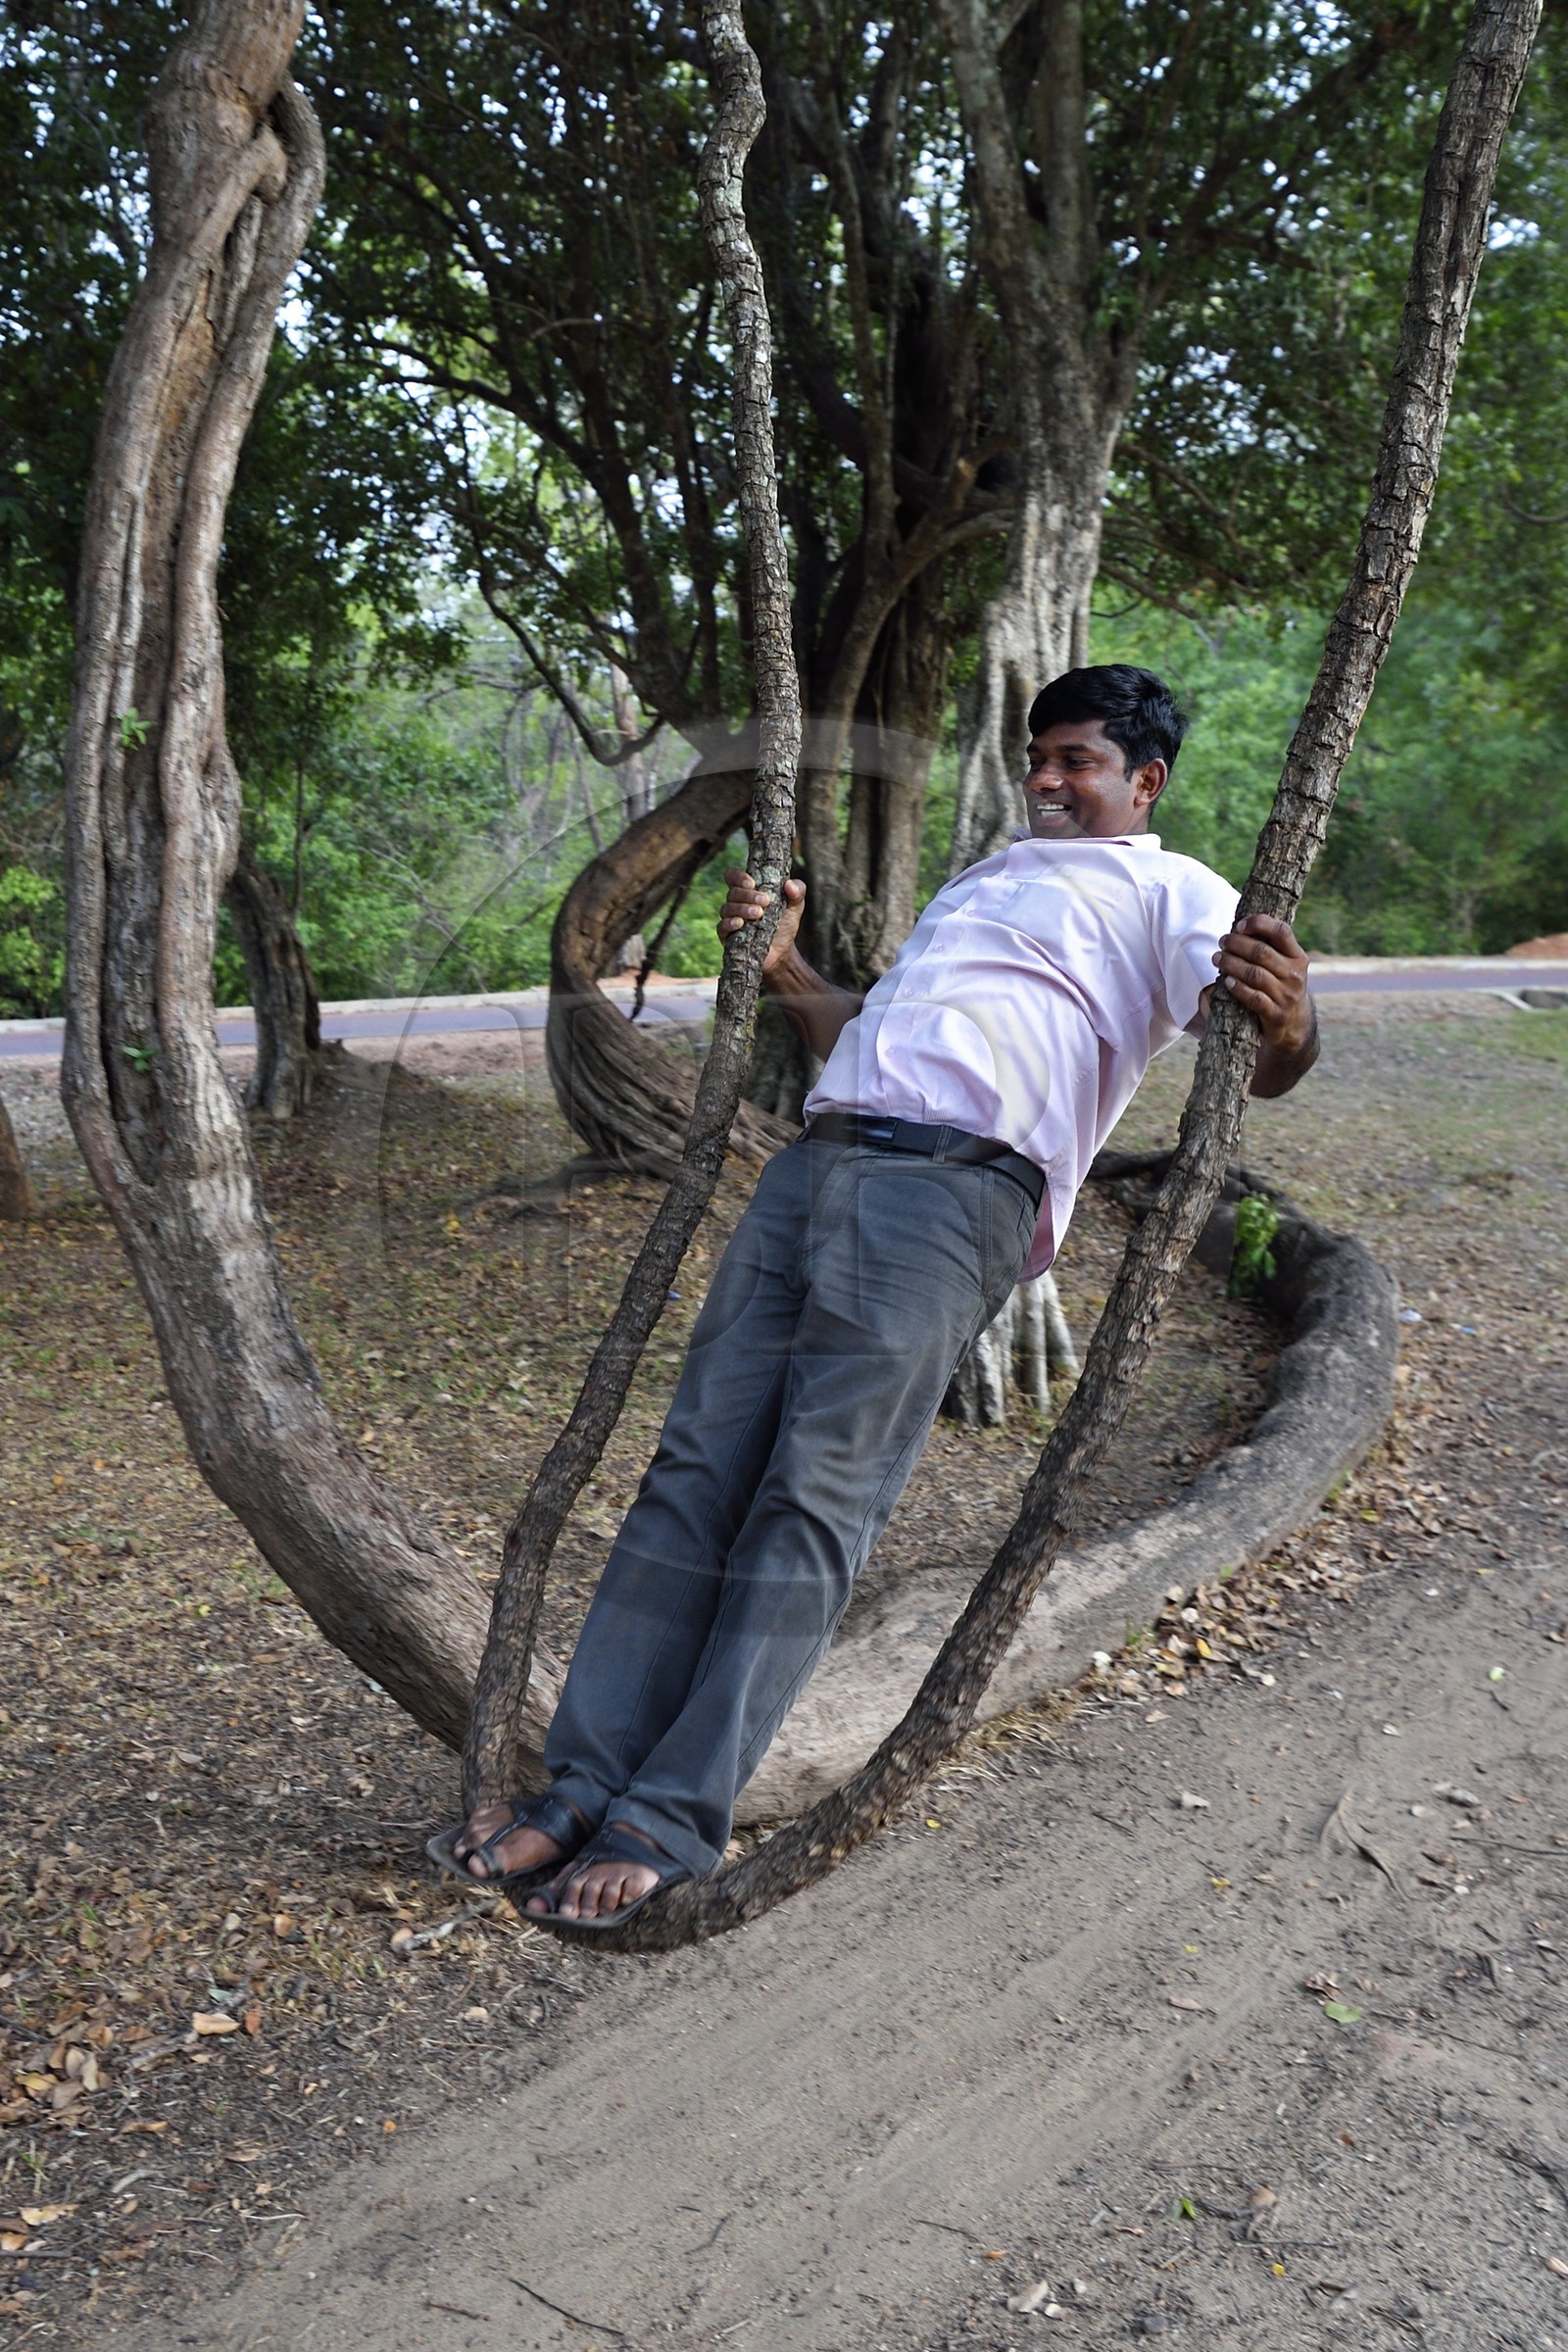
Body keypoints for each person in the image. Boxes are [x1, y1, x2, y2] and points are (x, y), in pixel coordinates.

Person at [433, 664, 1318, 1926]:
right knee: (692, 1471)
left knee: (810, 1498)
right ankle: (577, 1787)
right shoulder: (984, 882)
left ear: (1145, 780)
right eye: (1039, 758)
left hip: (957, 1196)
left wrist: (1288, 1028)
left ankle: (668, 1817)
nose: (1050, 781)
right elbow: (873, 1031)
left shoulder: (1175, 894)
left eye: (1077, 760)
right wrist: (788, 968)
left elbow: (1263, 1040)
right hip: (821, 1163)